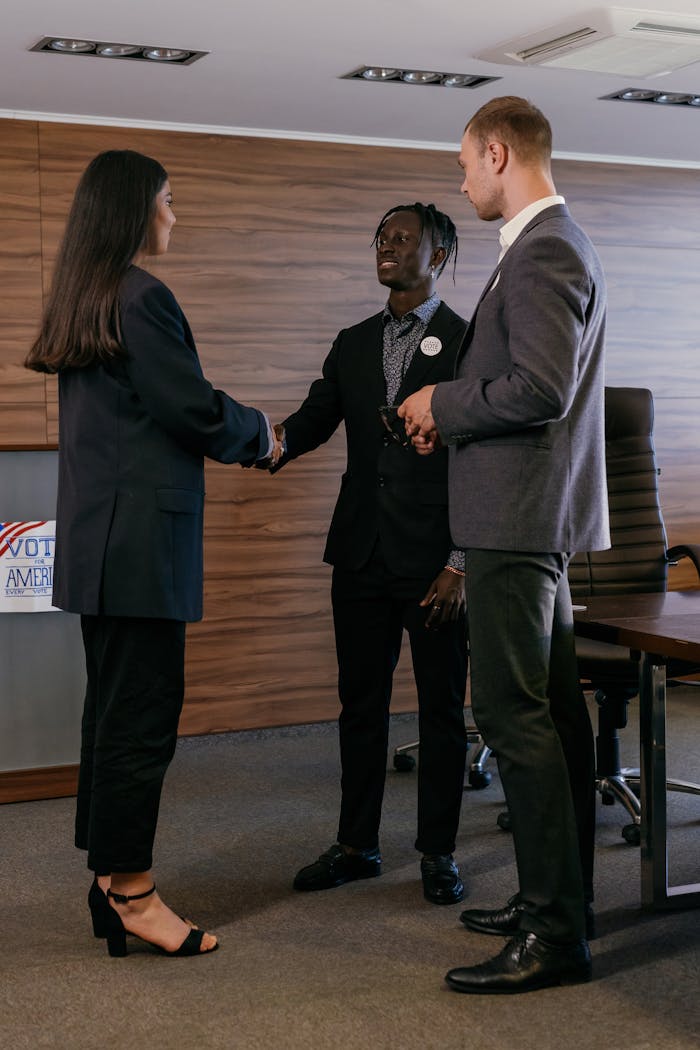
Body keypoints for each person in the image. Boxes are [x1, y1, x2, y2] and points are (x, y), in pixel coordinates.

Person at [25, 149, 281, 958]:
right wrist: (261, 432)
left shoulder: (86, 294)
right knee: (140, 720)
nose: (175, 217)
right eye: (168, 202)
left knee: (110, 715)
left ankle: (109, 879)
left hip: (102, 549)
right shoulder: (142, 296)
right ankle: (132, 892)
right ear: (136, 209)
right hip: (140, 551)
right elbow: (193, 410)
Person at [399, 97, 608, 993]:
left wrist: (438, 406)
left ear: (497, 152)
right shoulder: (541, 247)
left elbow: (541, 387)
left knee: (520, 724)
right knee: (554, 720)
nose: (460, 180)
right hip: (525, 517)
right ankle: (555, 901)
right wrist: (447, 415)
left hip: (516, 524)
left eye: (464, 164)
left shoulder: (546, 247)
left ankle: (556, 936)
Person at [268, 203, 469, 905]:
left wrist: (461, 562)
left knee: (442, 710)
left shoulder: (469, 341)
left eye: (403, 237)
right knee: (361, 704)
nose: (386, 245)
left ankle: (438, 852)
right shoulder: (352, 342)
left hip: (435, 561)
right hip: (359, 553)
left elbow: (483, 462)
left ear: (438, 254)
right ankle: (357, 845)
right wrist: (263, 443)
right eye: (382, 236)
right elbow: (315, 419)